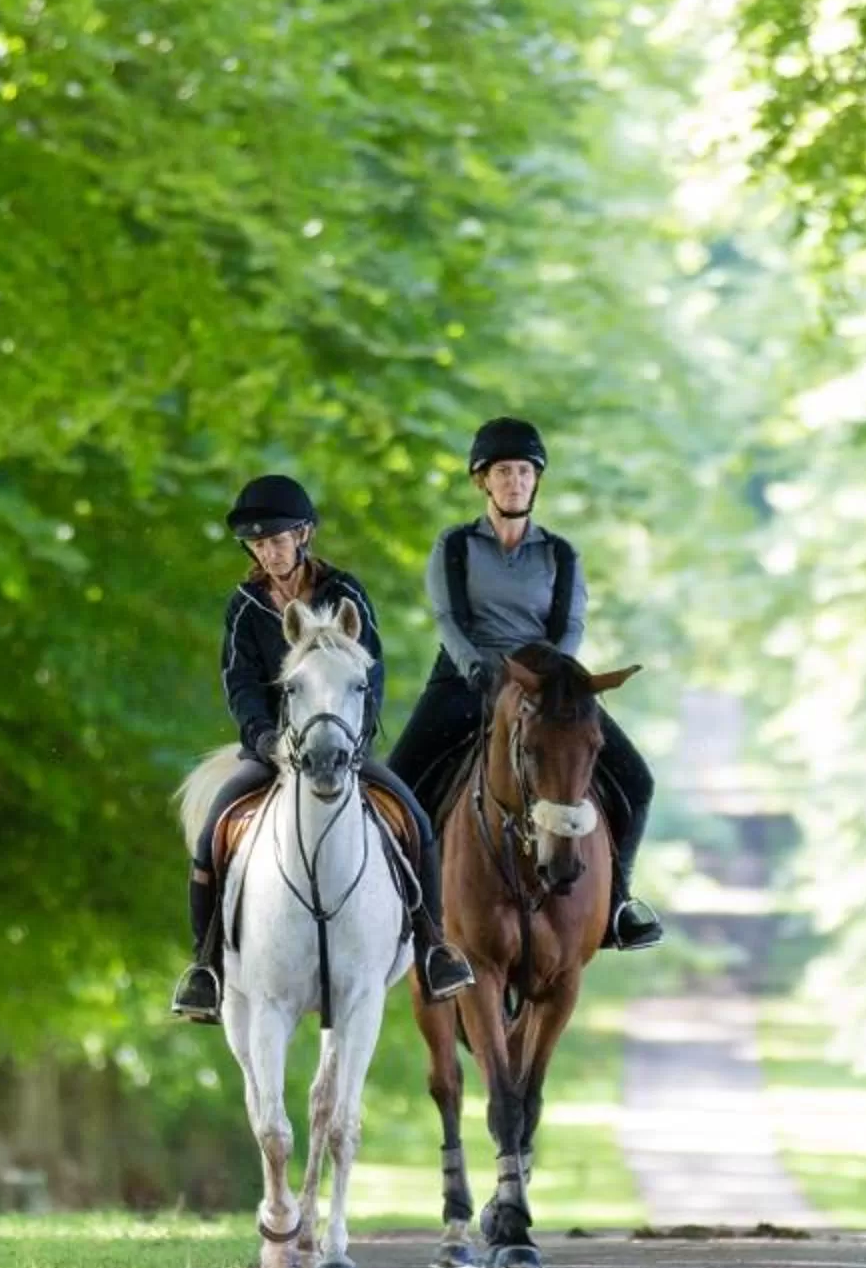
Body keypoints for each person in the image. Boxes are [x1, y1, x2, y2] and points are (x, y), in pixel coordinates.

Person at [172, 473, 475, 1023]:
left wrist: (353, 739)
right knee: (215, 831)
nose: (269, 552)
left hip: (340, 748)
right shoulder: (245, 605)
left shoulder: (345, 593)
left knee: (414, 820)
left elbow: (370, 672)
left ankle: (433, 947)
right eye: (259, 545)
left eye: (277, 540)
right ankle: (206, 965)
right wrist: (263, 738)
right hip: (273, 750)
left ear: (303, 535)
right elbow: (240, 683)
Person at [384, 417, 665, 951]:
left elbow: (570, 626)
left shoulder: (560, 553)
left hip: (545, 688)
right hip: (467, 679)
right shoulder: (455, 545)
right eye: (503, 472)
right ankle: (399, 901)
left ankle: (618, 903)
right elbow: (448, 617)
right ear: (482, 481)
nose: (514, 481)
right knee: (398, 782)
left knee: (637, 780)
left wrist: (546, 680)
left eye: (524, 472)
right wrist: (477, 668)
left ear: (536, 481)